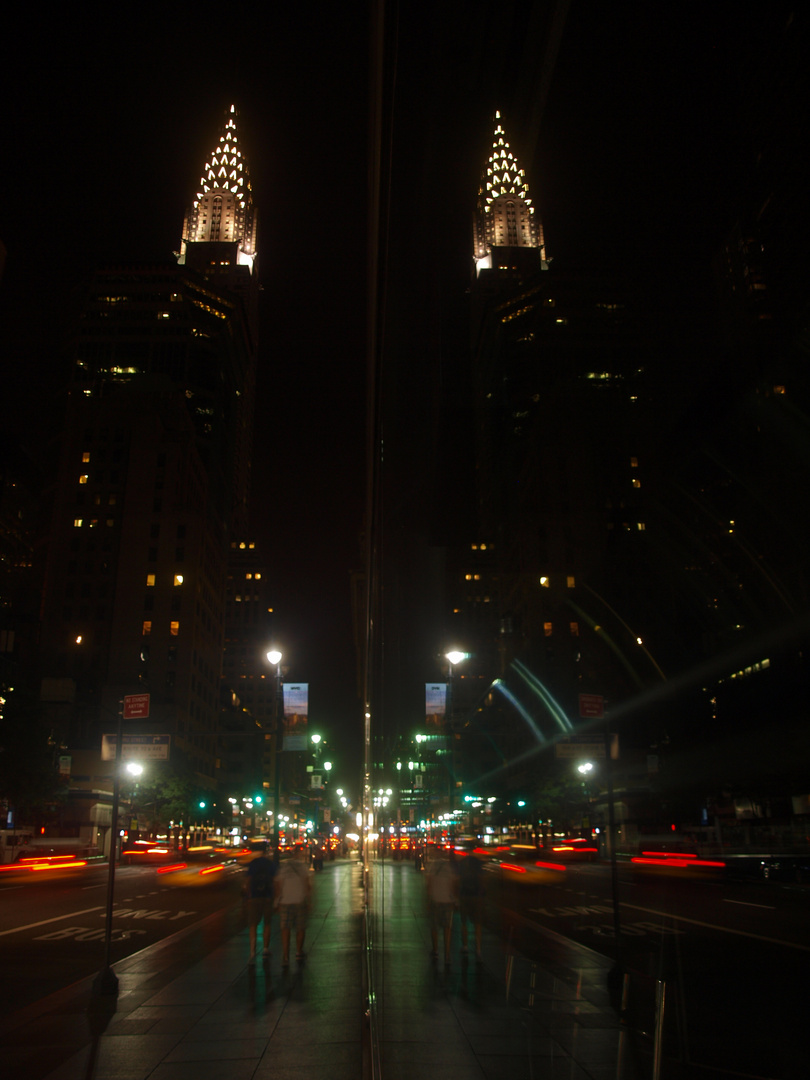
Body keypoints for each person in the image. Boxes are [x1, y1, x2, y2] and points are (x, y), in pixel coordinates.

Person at [274, 844, 312, 967]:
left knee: (285, 929)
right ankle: (298, 951)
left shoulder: (284, 867)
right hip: (299, 900)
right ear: (299, 855)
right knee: (300, 928)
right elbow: (307, 885)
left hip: (285, 902)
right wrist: (309, 901)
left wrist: (276, 902)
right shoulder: (302, 867)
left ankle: (285, 957)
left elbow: (278, 886)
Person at [243, 841, 278, 965]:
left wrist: (248, 896)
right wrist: (275, 898)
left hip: (254, 897)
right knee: (267, 924)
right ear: (266, 851)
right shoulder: (270, 864)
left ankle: (252, 952)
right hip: (267, 897)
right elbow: (274, 882)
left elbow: (248, 881)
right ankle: (265, 949)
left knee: (253, 924)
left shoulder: (253, 864)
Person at [426, 847, 459, 965]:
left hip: (435, 900)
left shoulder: (432, 866)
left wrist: (428, 900)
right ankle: (447, 954)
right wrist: (455, 900)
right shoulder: (449, 867)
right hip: (447, 901)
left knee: (434, 927)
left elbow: (428, 884)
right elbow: (454, 884)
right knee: (447, 928)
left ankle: (435, 950)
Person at [457, 848, 484, 961]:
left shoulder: (462, 863)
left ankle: (465, 945)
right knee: (477, 923)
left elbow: (458, 879)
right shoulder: (477, 862)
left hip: (464, 894)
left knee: (464, 922)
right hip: (476, 895)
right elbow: (482, 878)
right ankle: (478, 949)